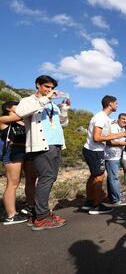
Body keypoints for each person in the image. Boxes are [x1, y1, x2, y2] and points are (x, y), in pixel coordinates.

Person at [12, 75, 69, 230]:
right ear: (38, 85)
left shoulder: (52, 105)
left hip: (55, 144)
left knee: (50, 178)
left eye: (52, 88)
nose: (50, 90)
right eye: (47, 87)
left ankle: (39, 214)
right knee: (46, 178)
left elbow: (63, 123)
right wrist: (45, 99)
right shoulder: (29, 100)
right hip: (41, 145)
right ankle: (41, 218)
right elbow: (21, 112)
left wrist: (64, 109)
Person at [82, 96, 126, 215]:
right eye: (116, 103)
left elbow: (107, 140)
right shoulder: (101, 118)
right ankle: (96, 205)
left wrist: (119, 140)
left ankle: (89, 202)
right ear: (110, 104)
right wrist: (118, 135)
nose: (117, 105)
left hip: (95, 150)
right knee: (99, 177)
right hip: (94, 151)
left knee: (94, 176)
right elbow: (96, 138)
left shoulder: (105, 118)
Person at [0, 101, 36, 225]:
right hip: (12, 150)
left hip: (28, 150)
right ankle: (11, 215)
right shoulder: (3, 119)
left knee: (31, 179)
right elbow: (22, 115)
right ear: (8, 108)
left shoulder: (23, 120)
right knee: (13, 183)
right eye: (17, 105)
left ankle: (32, 207)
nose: (20, 106)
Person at [105, 113, 126, 206]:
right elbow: (109, 141)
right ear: (118, 119)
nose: (125, 121)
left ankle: (112, 198)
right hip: (111, 156)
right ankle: (116, 199)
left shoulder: (122, 129)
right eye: (123, 119)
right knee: (114, 178)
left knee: (111, 178)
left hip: (116, 156)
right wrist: (124, 143)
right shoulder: (113, 127)